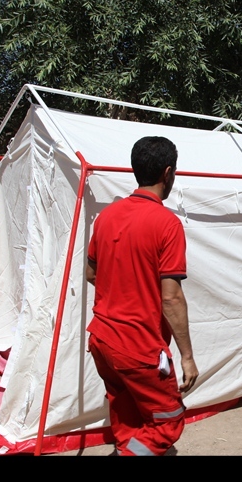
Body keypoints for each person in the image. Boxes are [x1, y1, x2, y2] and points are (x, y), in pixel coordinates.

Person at [85, 136, 199, 456]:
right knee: (168, 421)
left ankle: (127, 448)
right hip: (137, 345)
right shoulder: (167, 223)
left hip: (102, 339)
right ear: (168, 173)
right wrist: (187, 356)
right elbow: (171, 298)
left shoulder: (106, 217)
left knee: (128, 413)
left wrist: (123, 290)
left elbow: (91, 273)